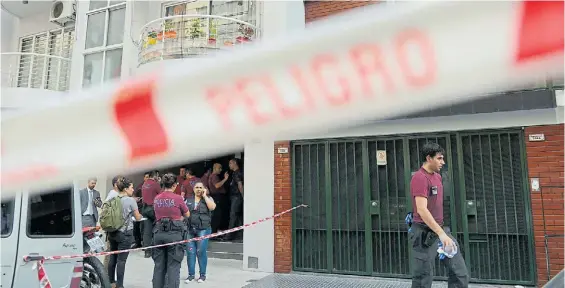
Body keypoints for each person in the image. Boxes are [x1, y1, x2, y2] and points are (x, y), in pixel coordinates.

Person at [409, 142, 469, 288]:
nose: (443, 162)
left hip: (440, 230)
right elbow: (422, 210)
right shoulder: (419, 178)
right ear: (429, 158)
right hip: (423, 233)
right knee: (423, 278)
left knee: (459, 272)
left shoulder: (437, 177)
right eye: (439, 158)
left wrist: (442, 233)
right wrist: (441, 234)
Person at [152, 173, 190, 288]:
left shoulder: (157, 198)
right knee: (173, 267)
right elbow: (187, 214)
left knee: (159, 266)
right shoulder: (178, 198)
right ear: (174, 185)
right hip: (174, 234)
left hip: (158, 234)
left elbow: (156, 214)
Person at [106, 177, 143, 288]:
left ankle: (111, 282)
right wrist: (139, 215)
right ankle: (120, 285)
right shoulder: (130, 200)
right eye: (131, 188)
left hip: (112, 232)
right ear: (126, 189)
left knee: (113, 257)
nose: (133, 190)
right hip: (125, 233)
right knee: (121, 260)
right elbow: (137, 217)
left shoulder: (113, 198)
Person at [184, 181, 216, 283]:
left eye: (200, 187)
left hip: (203, 229)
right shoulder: (188, 200)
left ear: (204, 189)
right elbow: (183, 213)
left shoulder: (208, 198)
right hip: (190, 229)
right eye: (196, 187)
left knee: (200, 251)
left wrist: (205, 196)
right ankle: (191, 275)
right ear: (193, 189)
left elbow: (212, 207)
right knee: (190, 252)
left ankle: (202, 275)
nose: (198, 189)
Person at [141, 170, 161, 258]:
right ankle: (157, 248)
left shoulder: (144, 184)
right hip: (152, 209)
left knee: (147, 230)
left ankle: (147, 251)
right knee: (158, 227)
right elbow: (161, 195)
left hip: (144, 209)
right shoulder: (155, 184)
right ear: (155, 176)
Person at [208, 163, 229, 234]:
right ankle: (214, 232)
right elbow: (217, 185)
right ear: (215, 168)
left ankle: (215, 232)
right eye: (219, 168)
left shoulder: (212, 176)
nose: (221, 170)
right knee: (217, 215)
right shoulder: (214, 176)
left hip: (216, 197)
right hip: (217, 197)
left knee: (217, 215)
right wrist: (225, 179)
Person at [226, 158, 243, 241]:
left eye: (230, 163)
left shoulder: (237, 173)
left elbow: (240, 185)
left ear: (235, 163)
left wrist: (243, 195)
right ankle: (239, 235)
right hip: (234, 197)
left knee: (233, 215)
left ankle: (229, 236)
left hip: (237, 197)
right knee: (238, 216)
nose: (229, 165)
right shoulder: (234, 173)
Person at [133, 172, 150, 248]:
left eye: (148, 177)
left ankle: (145, 243)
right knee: (136, 225)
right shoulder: (140, 186)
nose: (147, 179)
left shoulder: (151, 186)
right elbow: (134, 196)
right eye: (146, 177)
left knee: (144, 226)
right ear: (144, 178)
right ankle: (138, 242)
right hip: (139, 208)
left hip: (147, 208)